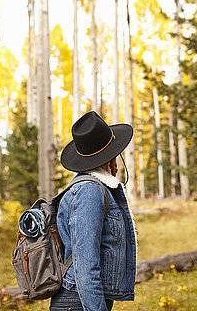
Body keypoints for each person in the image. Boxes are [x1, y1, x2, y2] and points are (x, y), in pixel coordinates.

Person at [50, 111, 137, 311]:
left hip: (83, 299)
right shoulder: (90, 191)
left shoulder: (97, 187)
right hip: (78, 301)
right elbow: (85, 265)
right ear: (111, 157)